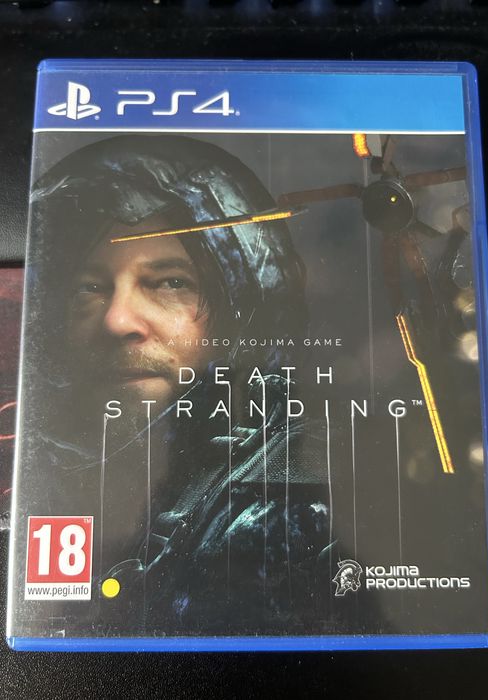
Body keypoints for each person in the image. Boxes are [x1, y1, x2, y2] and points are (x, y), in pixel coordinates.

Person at [29, 135, 350, 636]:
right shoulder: (35, 465)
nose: (118, 320)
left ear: (244, 307)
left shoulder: (293, 510)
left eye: (170, 282)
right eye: (89, 288)